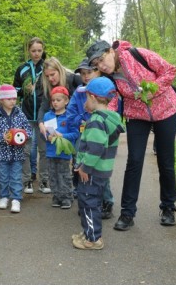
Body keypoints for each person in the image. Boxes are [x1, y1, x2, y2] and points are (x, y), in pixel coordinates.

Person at [86, 39, 176, 230]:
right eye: (97, 65)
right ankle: (127, 213)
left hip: (166, 110)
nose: (103, 66)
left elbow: (170, 70)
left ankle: (168, 207)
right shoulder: (109, 77)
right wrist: (104, 117)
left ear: (111, 51)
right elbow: (111, 100)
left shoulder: (138, 54)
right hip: (137, 114)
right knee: (134, 161)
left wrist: (151, 89)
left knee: (166, 160)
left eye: (103, 59)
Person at [72, 77, 125, 250]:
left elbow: (96, 147)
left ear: (93, 98)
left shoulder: (96, 120)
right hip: (101, 171)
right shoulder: (111, 117)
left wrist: (85, 167)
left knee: (88, 203)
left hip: (91, 172)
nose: (85, 101)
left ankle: (93, 239)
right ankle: (89, 231)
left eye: (87, 97)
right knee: (92, 202)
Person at [67, 58, 115, 219]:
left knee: (99, 168)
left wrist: (93, 119)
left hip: (100, 133)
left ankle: (106, 201)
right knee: (81, 164)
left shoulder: (106, 90)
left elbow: (112, 113)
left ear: (98, 71)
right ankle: (86, 199)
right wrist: (83, 118)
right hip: (83, 134)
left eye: (89, 72)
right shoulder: (79, 92)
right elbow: (70, 115)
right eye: (83, 73)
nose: (86, 76)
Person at [37, 57, 83, 194]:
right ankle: (73, 189)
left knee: (78, 154)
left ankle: (79, 186)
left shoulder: (74, 80)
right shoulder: (48, 87)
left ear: (60, 71)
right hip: (62, 126)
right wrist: (41, 124)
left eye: (53, 74)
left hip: (78, 122)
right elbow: (43, 107)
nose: (50, 78)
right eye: (47, 76)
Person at [0, 85, 32, 213]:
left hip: (17, 154)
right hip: (2, 154)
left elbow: (28, 129)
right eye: (9, 99)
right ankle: (3, 197)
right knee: (3, 177)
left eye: (14, 98)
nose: (13, 101)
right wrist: (2, 137)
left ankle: (16, 199)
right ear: (1, 100)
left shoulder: (19, 113)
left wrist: (24, 136)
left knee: (16, 177)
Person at [12, 37, 46, 194]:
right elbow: (15, 90)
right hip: (25, 114)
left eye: (39, 50)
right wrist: (24, 90)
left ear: (43, 50)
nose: (36, 54)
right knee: (25, 149)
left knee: (44, 149)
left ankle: (45, 180)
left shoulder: (47, 67)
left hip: (44, 114)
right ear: (28, 51)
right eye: (33, 51)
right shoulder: (22, 69)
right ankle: (27, 181)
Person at [43, 87, 78, 209]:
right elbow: (46, 132)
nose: (55, 102)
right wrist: (47, 136)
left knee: (64, 174)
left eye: (58, 100)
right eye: (53, 100)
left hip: (64, 151)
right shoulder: (48, 115)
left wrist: (63, 135)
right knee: (52, 174)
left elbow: (75, 134)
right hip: (51, 151)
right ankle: (56, 196)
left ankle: (67, 196)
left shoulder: (70, 116)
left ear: (66, 101)